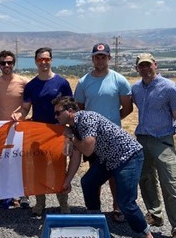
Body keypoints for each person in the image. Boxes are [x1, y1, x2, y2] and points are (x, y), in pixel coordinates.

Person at [54, 96, 153, 238]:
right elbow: (76, 156)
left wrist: (71, 138)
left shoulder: (86, 119)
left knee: (125, 203)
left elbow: (87, 150)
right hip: (108, 159)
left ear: (70, 111)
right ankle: (95, 221)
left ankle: (146, 233)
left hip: (128, 156)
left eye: (57, 113)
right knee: (88, 182)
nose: (55, 117)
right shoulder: (73, 127)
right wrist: (67, 181)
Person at [73, 43, 133, 222]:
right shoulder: (84, 82)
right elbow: (80, 109)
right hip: (92, 138)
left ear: (109, 58)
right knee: (94, 175)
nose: (100, 59)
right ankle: (95, 210)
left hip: (113, 139)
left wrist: (112, 123)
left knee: (115, 175)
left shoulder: (119, 80)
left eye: (103, 56)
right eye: (97, 56)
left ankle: (117, 208)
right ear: (92, 58)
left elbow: (128, 107)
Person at [132, 53, 176, 238]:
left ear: (155, 65)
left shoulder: (169, 88)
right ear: (137, 68)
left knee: (169, 184)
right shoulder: (136, 89)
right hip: (142, 139)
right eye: (142, 66)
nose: (145, 69)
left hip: (163, 141)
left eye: (148, 65)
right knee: (145, 179)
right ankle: (155, 214)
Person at [11, 47, 73, 216]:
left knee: (59, 169)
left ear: (51, 60)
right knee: (38, 169)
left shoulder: (62, 83)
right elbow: (25, 108)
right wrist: (19, 115)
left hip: (57, 133)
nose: (44, 62)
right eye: (40, 60)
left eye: (46, 59)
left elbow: (70, 109)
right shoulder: (31, 86)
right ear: (36, 61)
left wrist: (69, 130)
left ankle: (63, 204)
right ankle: (40, 204)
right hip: (38, 134)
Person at [0, 50, 30, 208]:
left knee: (21, 163)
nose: (6, 65)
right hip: (1, 130)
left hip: (20, 129)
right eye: (3, 63)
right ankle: (6, 195)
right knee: (4, 163)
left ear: (14, 63)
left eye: (9, 62)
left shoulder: (24, 82)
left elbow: (28, 104)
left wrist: (21, 114)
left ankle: (23, 195)